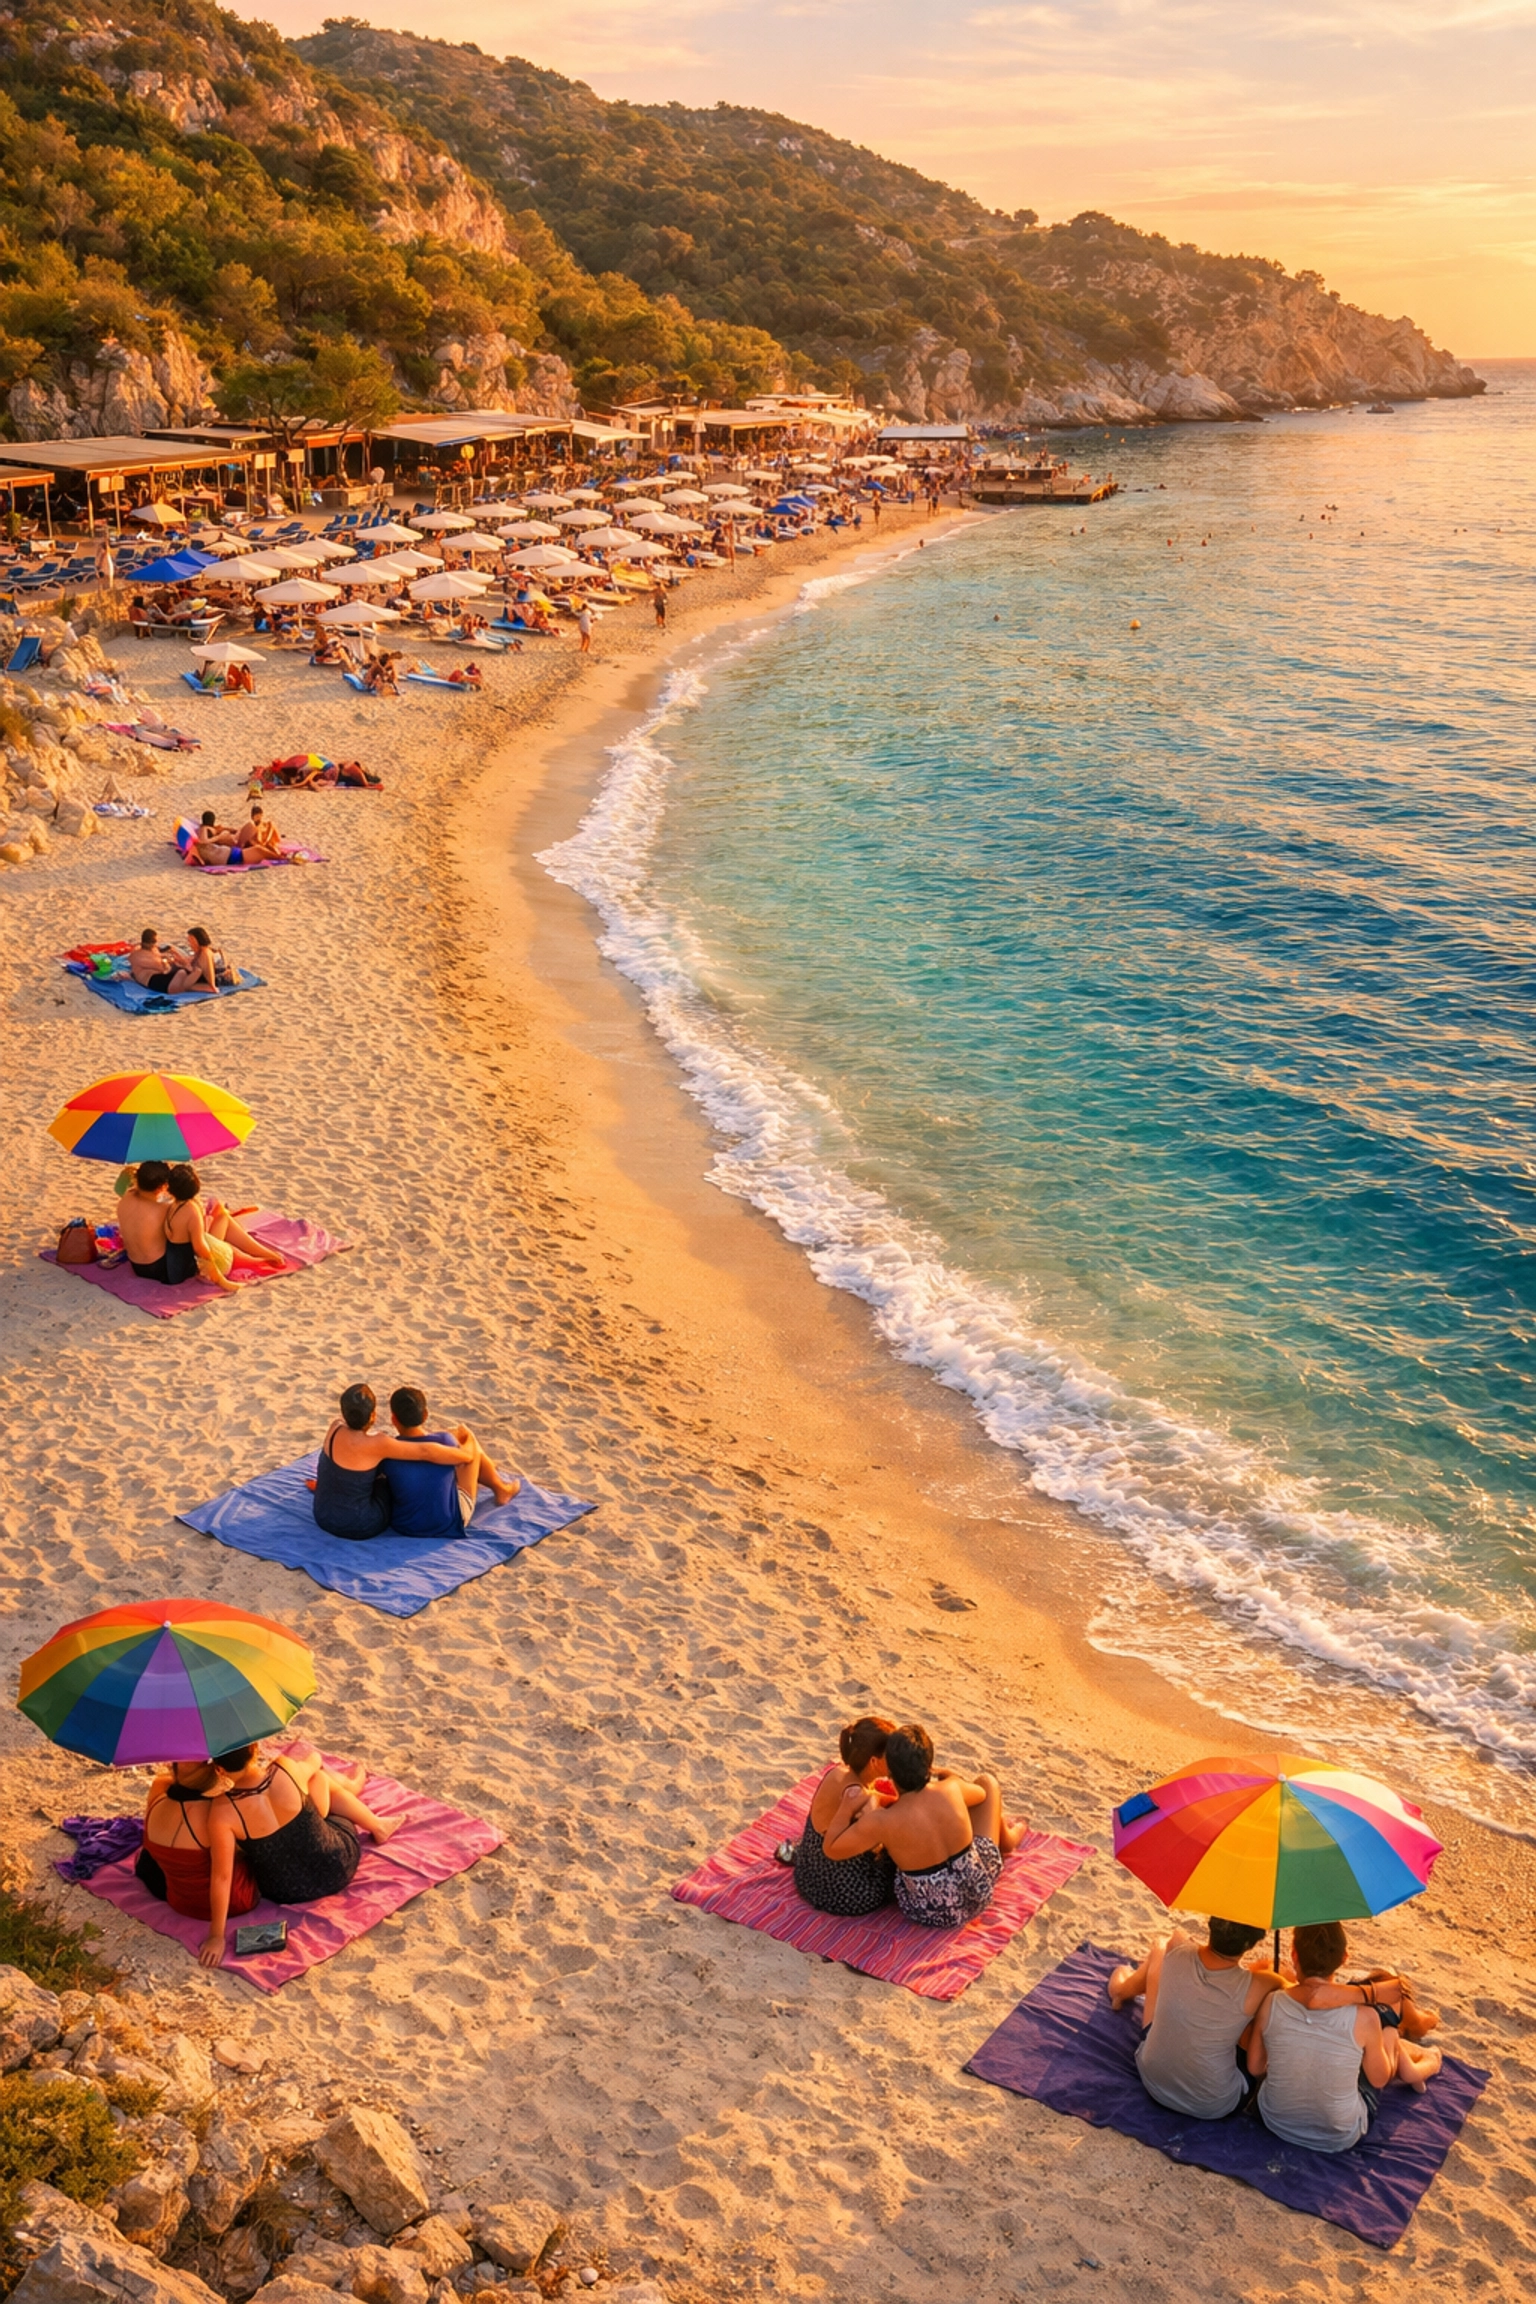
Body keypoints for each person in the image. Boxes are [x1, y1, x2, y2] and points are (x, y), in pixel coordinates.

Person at [199, 1743, 399, 1967]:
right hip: (336, 1866)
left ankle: (357, 1794)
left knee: (315, 1784)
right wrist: (306, 1756)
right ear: (254, 1749)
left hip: (286, 1890)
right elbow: (314, 1761)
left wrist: (216, 1936)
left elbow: (222, 1877)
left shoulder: (221, 1812)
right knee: (319, 1779)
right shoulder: (284, 1768)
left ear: (218, 1768)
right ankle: (375, 1821)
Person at [1248, 1922, 1443, 2152]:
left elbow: (1255, 2068)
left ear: (1294, 1955)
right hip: (1338, 2135)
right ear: (1345, 1957)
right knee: (1384, 2026)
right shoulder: (1365, 2017)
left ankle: (1402, 2053)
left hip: (1275, 2120)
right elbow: (1379, 2079)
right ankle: (1415, 2058)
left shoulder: (1272, 2002)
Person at [819, 1721, 1026, 1929]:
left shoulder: (882, 1821)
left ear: (888, 1769)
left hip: (929, 1911)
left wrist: (846, 1808)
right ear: (928, 1765)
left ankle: (1004, 1840)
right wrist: (950, 1776)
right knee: (988, 1782)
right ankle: (1007, 1840)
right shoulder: (950, 1789)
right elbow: (981, 1795)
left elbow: (831, 1848)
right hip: (977, 1891)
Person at [1109, 1919, 1285, 2119]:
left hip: (1153, 2079)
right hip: (1214, 2104)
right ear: (1252, 1943)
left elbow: (1175, 1939)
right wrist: (1262, 1971)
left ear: (1210, 1924)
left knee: (1159, 1947)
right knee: (1260, 2008)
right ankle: (1121, 1991)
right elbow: (1287, 1990)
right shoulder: (1265, 1983)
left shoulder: (1176, 1949)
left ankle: (1120, 1991)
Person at [309, 1382, 478, 1540]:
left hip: (323, 1515)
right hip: (359, 1525)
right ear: (373, 1416)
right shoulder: (379, 1443)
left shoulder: (335, 1428)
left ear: (343, 1412)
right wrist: (466, 1455)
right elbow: (426, 1451)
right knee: (387, 1480)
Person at [792, 1716, 897, 1916]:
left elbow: (874, 1797)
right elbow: (878, 1839)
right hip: (844, 1893)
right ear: (874, 1761)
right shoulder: (862, 1801)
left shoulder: (837, 1773)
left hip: (808, 1874)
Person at [380, 1385, 517, 1538]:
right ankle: (501, 1489)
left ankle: (500, 1488)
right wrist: (463, 1434)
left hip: (405, 1525)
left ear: (393, 1419)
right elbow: (468, 1455)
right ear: (425, 1415)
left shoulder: (389, 1452)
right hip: (448, 1522)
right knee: (471, 1445)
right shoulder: (445, 1440)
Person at [134, 1759, 260, 1923]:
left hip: (179, 1903)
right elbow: (222, 1877)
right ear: (216, 1770)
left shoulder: (156, 1799)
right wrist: (216, 1936)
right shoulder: (217, 1814)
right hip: (234, 1903)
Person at [163, 1163, 285, 1290]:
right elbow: (200, 1247)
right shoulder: (191, 1210)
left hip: (177, 1264)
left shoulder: (170, 1206)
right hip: (196, 1266)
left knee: (222, 1216)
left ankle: (263, 1255)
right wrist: (220, 1280)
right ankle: (265, 1255)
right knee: (225, 1229)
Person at [117, 1159, 175, 1280]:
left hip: (136, 1265)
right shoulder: (164, 1209)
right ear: (163, 1187)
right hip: (159, 1267)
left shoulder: (126, 1198)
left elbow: (118, 1188)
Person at [163, 924, 233, 996]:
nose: (190, 943)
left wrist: (212, 986)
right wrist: (175, 953)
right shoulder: (199, 951)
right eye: (189, 940)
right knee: (183, 973)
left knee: (185, 986)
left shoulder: (205, 953)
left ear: (199, 940)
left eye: (192, 940)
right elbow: (190, 962)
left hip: (216, 978)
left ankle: (208, 988)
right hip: (202, 974)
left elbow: (209, 970)